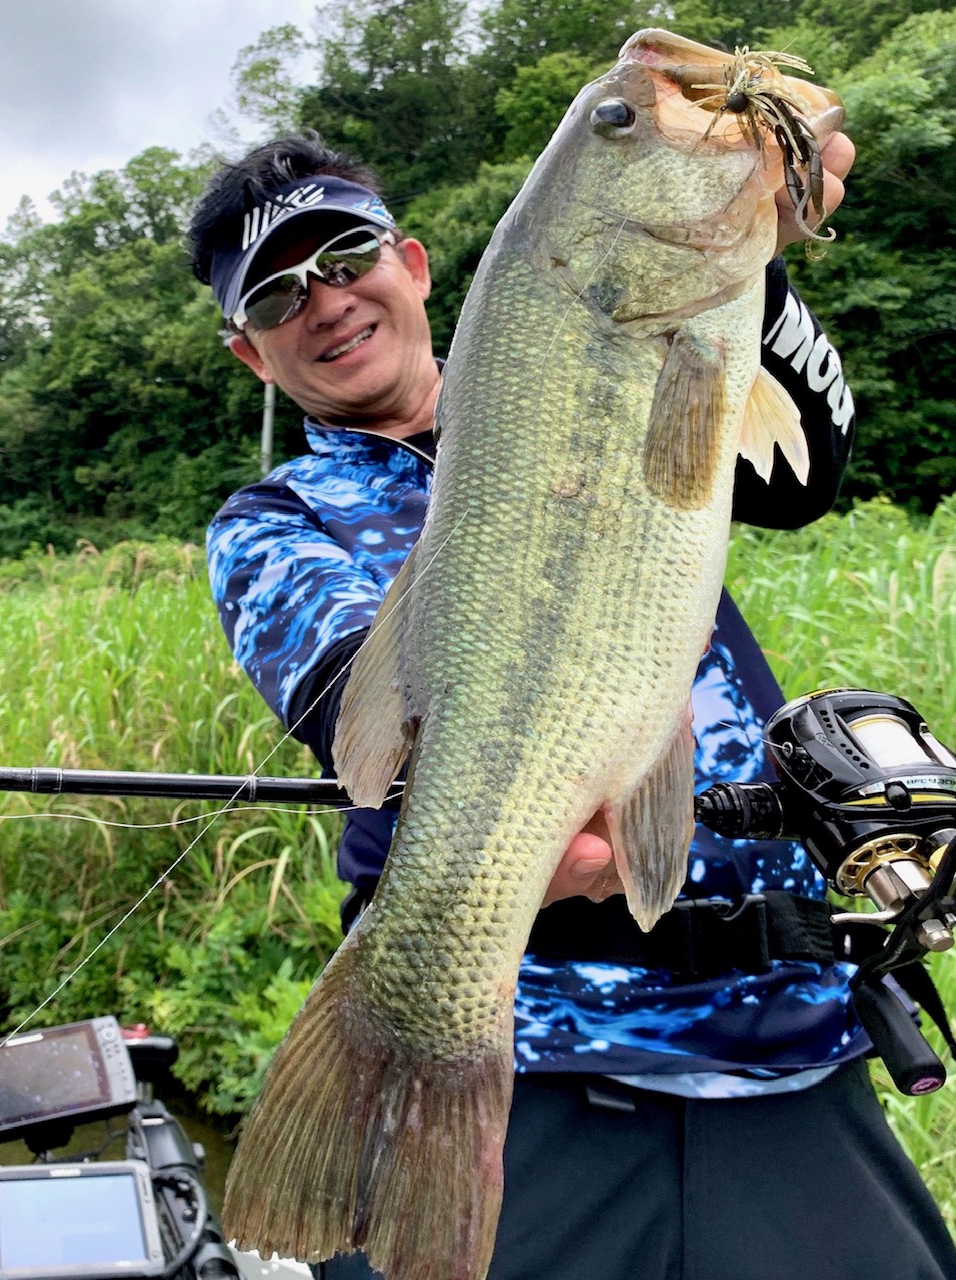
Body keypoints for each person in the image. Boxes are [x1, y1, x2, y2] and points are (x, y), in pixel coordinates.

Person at [189, 128, 956, 1279]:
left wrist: (751, 261)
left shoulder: (618, 363)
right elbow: (360, 701)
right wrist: (529, 812)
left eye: (345, 258)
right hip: (527, 1073)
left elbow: (803, 476)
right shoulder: (274, 520)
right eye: (278, 293)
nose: (326, 300)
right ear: (251, 350)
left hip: (787, 1043)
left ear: (412, 263)